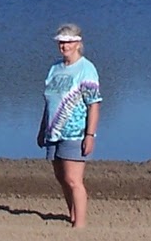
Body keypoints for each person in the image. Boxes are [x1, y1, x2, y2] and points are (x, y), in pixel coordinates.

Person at [36, 23, 102, 228]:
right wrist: (42, 129)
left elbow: (94, 104)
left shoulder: (86, 69)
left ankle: (80, 224)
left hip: (75, 133)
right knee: (62, 178)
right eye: (61, 42)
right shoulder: (55, 68)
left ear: (77, 43)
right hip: (53, 132)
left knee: (74, 179)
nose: (63, 46)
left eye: (68, 42)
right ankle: (72, 215)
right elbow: (49, 102)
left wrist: (90, 135)